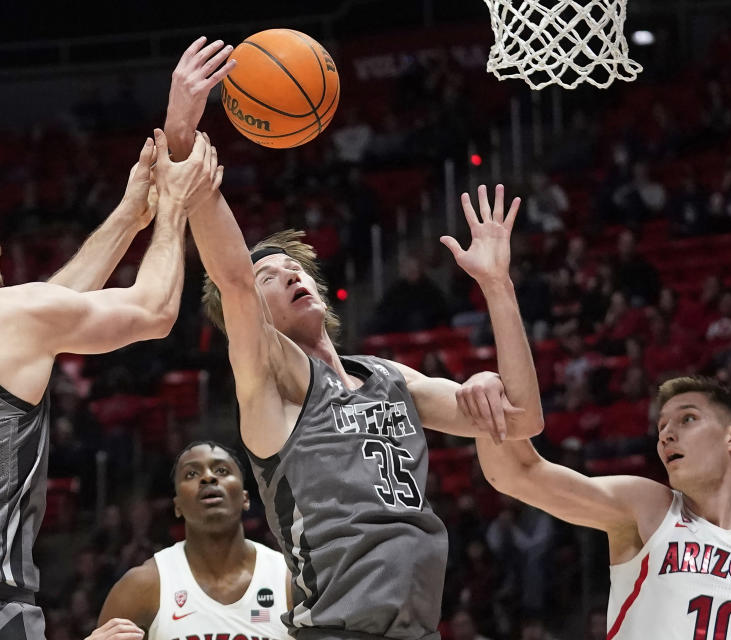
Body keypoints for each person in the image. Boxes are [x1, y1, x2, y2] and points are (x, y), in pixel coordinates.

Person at [163, 37, 543, 639]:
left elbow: (521, 419)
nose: (289, 272)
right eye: (270, 275)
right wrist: (182, 138)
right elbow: (231, 279)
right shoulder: (277, 384)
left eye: (294, 267)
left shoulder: (393, 380)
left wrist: (498, 287)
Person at [0, 129, 220, 638]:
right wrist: (174, 209)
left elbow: (46, 315)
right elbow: (154, 311)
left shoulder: (19, 322)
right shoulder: (14, 318)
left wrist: (126, 219)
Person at [471, 375, 731, 639]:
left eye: (687, 419)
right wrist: (497, 291)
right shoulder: (647, 509)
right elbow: (516, 474)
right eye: (661, 427)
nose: (667, 434)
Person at [92, 441, 291, 639]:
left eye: (221, 470)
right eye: (191, 474)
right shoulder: (142, 586)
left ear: (245, 497)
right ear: (177, 506)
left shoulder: (289, 581)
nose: (208, 478)